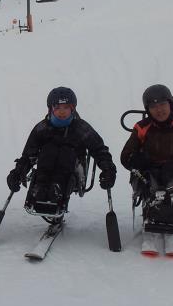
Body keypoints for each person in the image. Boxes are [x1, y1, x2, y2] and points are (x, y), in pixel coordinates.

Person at [7, 87, 117, 217]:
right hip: (46, 167)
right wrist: (18, 172)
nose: (62, 112)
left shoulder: (80, 127)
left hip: (73, 169)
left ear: (72, 108)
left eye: (66, 108)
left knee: (65, 151)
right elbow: (29, 154)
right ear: (51, 109)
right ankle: (40, 188)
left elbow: (99, 149)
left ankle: (57, 188)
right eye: (57, 107)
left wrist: (107, 169)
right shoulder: (43, 128)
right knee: (49, 150)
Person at [119, 83, 173, 231]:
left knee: (170, 174)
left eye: (162, 104)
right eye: (153, 107)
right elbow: (126, 155)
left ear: (170, 104)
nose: (159, 110)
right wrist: (137, 160)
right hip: (149, 170)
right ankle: (152, 206)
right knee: (153, 178)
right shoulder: (142, 127)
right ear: (148, 110)